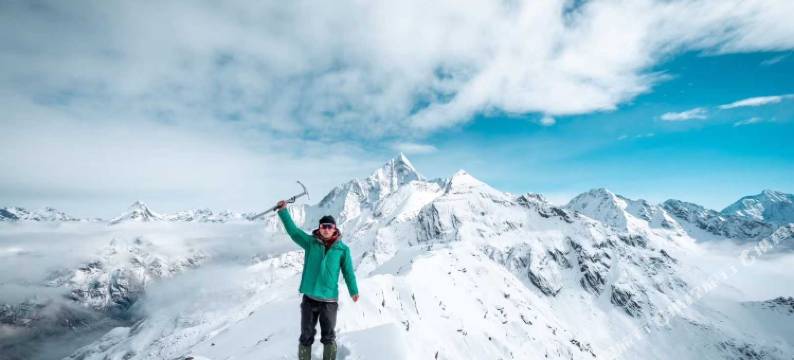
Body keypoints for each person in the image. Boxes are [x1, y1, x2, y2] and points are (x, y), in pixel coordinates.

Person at [275, 200, 359, 360]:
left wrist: (353, 290)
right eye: (323, 226)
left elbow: (348, 272)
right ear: (319, 229)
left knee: (328, 336)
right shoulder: (310, 243)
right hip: (310, 298)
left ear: (335, 229)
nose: (326, 229)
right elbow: (294, 232)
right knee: (306, 335)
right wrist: (283, 211)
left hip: (329, 300)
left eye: (330, 226)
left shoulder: (343, 250)